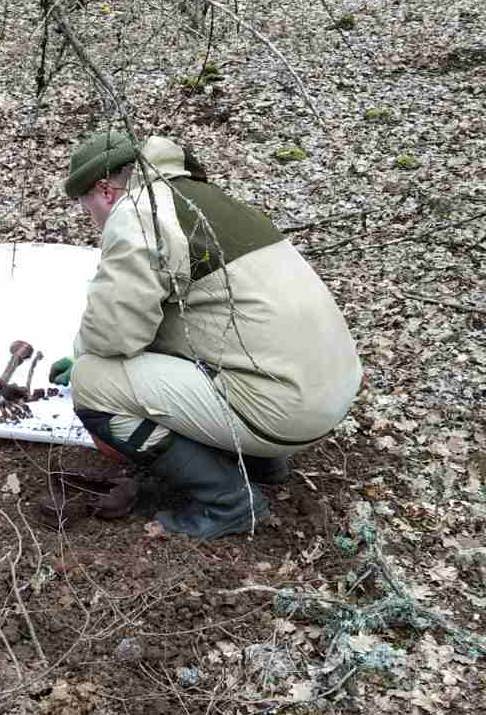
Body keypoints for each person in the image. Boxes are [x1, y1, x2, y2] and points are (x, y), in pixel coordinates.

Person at [50, 128, 362, 539]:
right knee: (188, 346)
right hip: (329, 394)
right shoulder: (202, 198)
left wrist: (80, 357)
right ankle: (262, 463)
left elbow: (115, 337)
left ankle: (229, 502)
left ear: (106, 190)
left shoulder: (140, 214)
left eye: (86, 206)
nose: (90, 219)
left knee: (93, 383)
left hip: (281, 411)